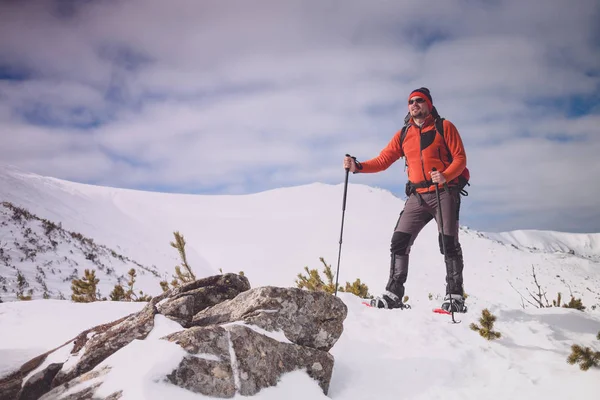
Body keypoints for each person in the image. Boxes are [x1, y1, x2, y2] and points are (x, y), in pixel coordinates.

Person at [343, 87, 467, 312]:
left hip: (444, 193)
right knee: (399, 241)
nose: (414, 104)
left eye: (419, 101)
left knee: (448, 244)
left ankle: (455, 297)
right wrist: (358, 166)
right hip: (417, 196)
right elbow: (383, 160)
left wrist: (446, 175)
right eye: (411, 102)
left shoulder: (444, 127)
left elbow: (460, 158)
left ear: (428, 104)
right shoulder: (404, 134)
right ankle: (393, 294)